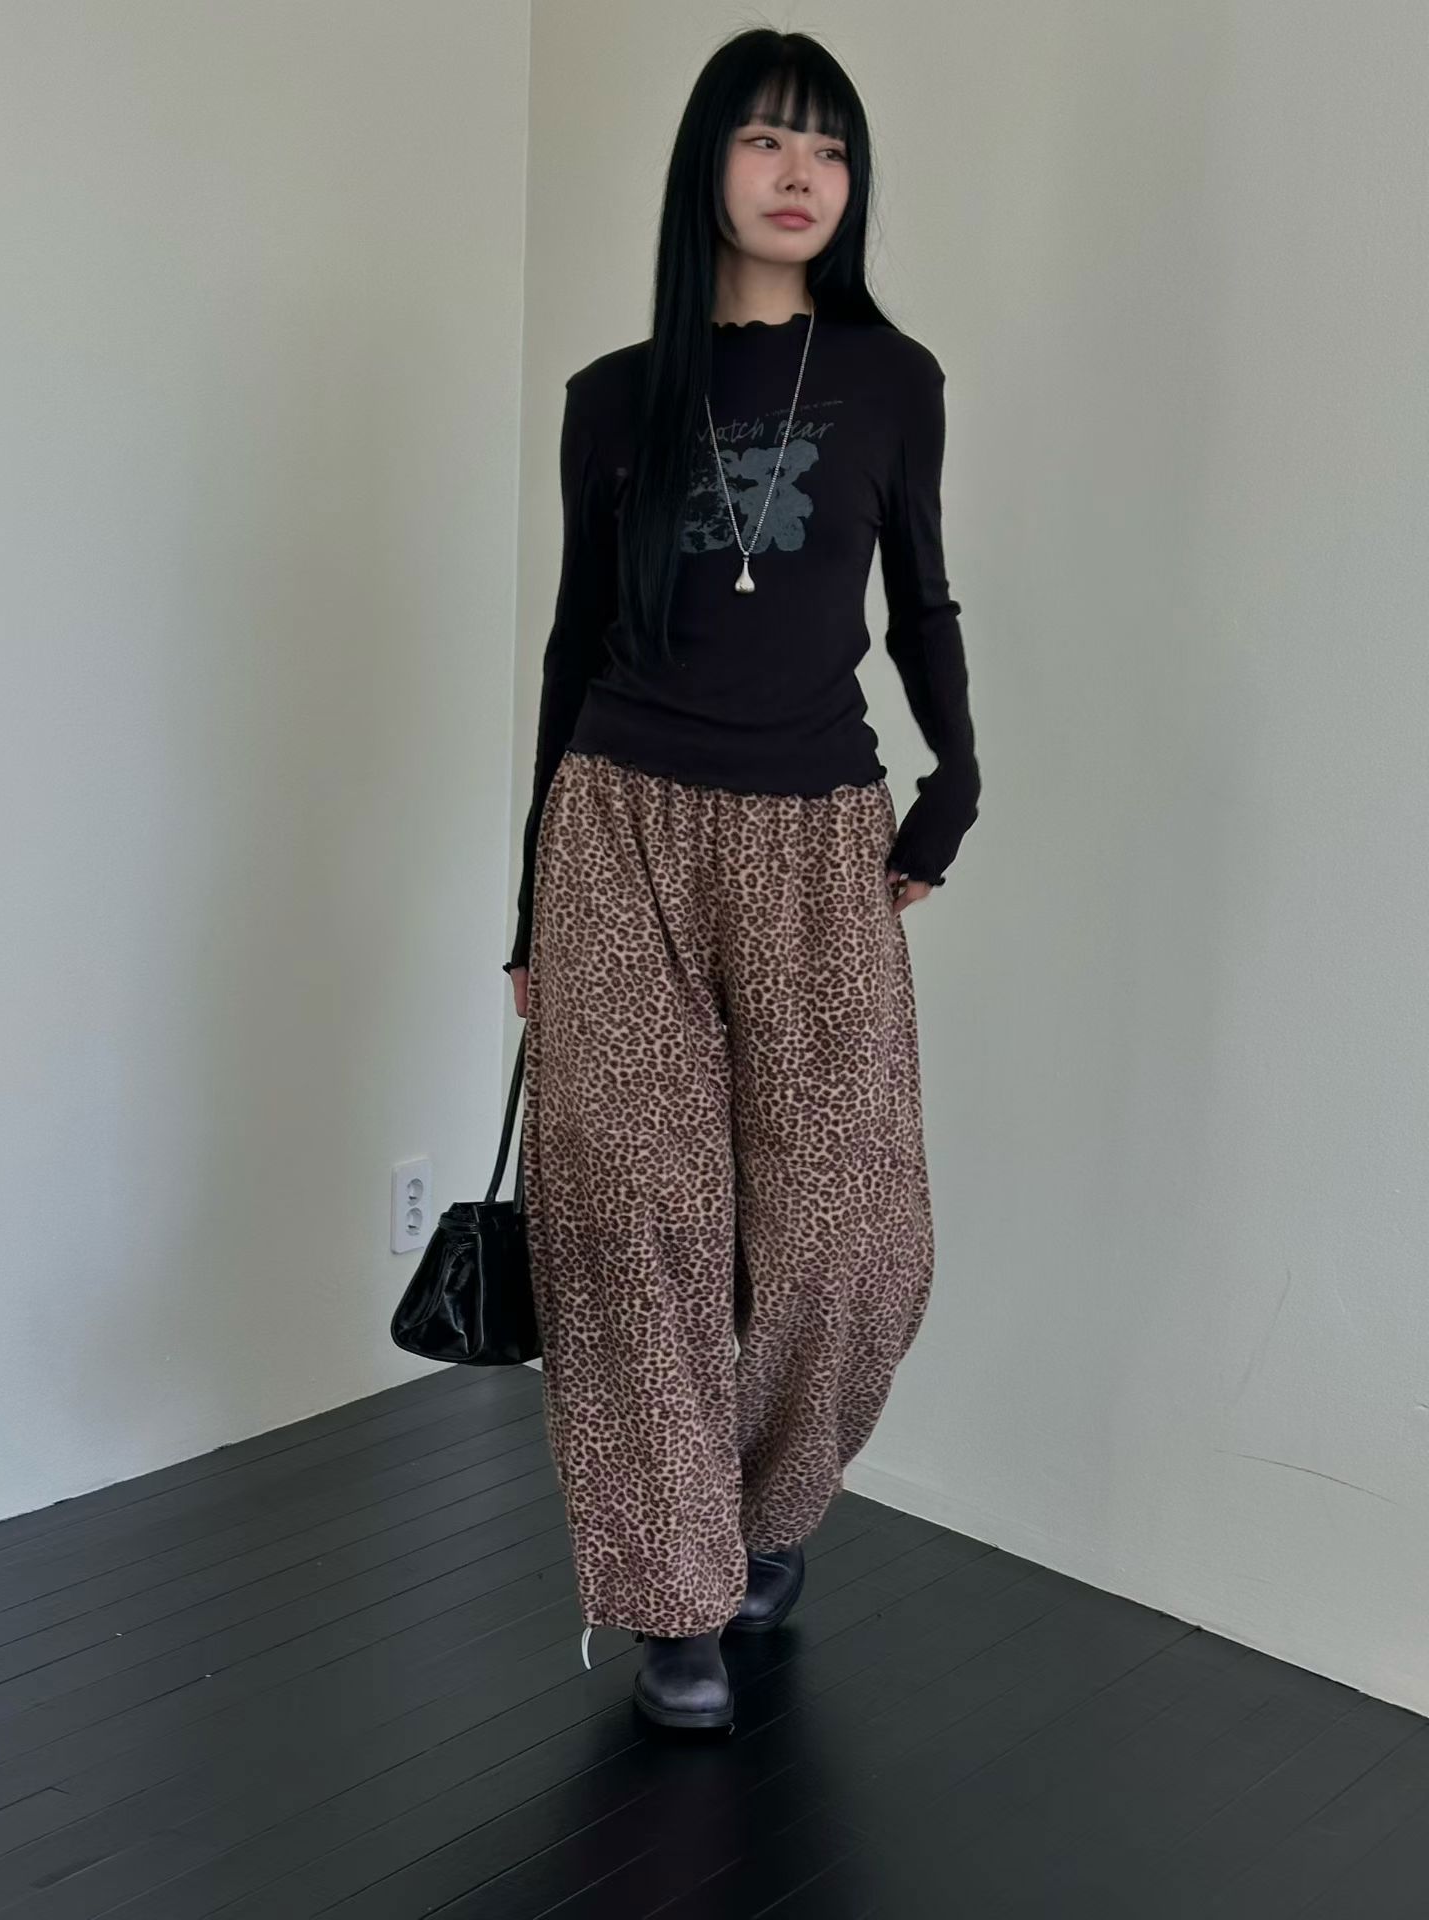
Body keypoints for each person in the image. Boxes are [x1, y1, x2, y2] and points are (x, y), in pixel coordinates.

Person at [503, 27, 980, 1734]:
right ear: (707, 160)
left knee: (856, 1238)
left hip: (815, 834)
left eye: (832, 149)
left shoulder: (890, 379)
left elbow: (921, 599)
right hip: (618, 828)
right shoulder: (612, 399)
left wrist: (957, 782)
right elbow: (573, 647)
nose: (802, 175)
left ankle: (764, 1518)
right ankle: (673, 1598)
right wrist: (528, 914)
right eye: (771, 140)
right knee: (631, 1225)